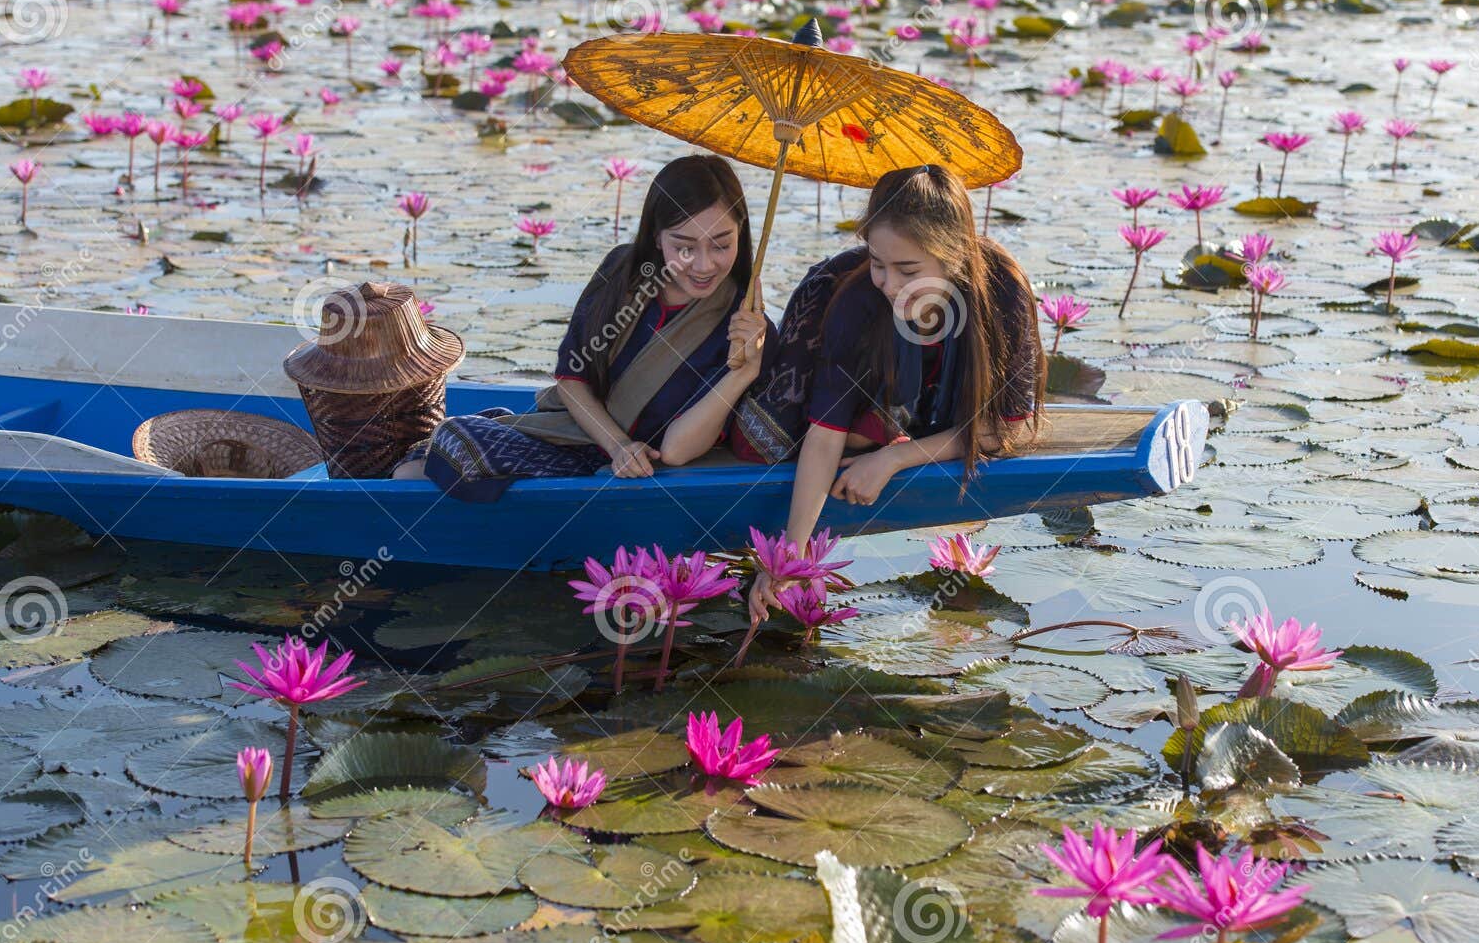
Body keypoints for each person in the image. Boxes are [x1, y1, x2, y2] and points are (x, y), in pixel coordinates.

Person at [738, 162, 1045, 619]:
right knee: (769, 443)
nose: (890, 284)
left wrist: (894, 458)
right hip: (836, 370)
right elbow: (824, 438)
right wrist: (790, 557)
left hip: (920, 413)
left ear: (955, 255)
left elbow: (1007, 430)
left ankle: (885, 432)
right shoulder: (855, 297)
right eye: (878, 263)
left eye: (908, 269)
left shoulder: (1004, 292)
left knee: (884, 433)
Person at [392, 154, 775, 500]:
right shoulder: (624, 272)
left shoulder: (742, 324)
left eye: (722, 245)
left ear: (741, 233)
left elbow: (676, 451)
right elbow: (572, 380)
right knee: (421, 458)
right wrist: (619, 445)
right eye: (685, 245)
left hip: (638, 467)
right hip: (588, 434)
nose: (704, 264)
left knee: (450, 446)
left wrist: (743, 372)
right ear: (657, 237)